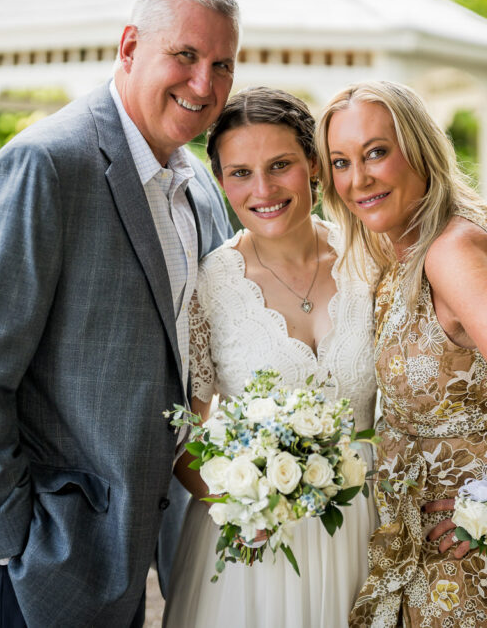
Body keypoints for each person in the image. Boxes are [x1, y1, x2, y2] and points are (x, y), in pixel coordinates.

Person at [0, 0, 237, 627]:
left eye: (222, 64)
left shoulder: (201, 187)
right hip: (41, 555)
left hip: (143, 549)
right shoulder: (47, 164)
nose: (204, 84)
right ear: (128, 48)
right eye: (184, 55)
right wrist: (10, 540)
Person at [317, 80, 487, 627]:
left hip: (467, 553)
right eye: (340, 161)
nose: (358, 178)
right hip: (428, 542)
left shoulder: (451, 250)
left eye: (376, 152)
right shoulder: (413, 241)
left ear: (419, 147)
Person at [161, 87, 378, 628]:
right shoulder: (207, 285)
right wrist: (249, 500)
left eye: (280, 165)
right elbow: (184, 436)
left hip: (370, 534)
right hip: (254, 549)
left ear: (313, 164)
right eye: (239, 173)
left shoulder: (374, 264)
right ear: (220, 181)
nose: (263, 190)